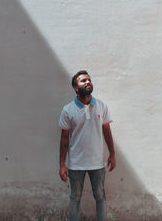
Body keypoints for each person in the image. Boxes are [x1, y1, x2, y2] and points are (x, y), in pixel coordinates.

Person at [59, 70, 116, 221]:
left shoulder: (101, 106)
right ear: (76, 88)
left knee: (100, 196)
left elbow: (107, 131)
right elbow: (64, 140)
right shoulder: (67, 110)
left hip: (97, 163)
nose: (88, 82)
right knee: (75, 198)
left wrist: (112, 154)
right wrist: (62, 165)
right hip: (76, 164)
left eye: (89, 80)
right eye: (83, 81)